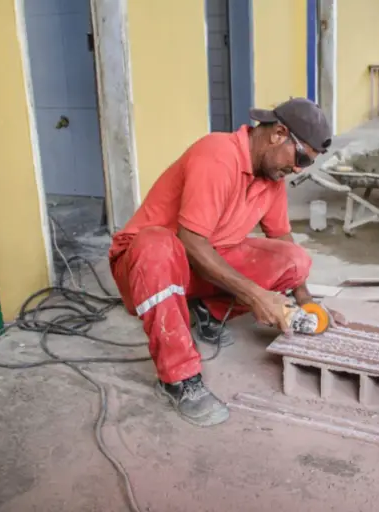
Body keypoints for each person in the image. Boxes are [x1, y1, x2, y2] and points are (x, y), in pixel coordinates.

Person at [109, 97, 344, 427]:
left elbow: (281, 239)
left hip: (199, 263)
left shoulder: (270, 178)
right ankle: (179, 379)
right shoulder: (218, 155)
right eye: (301, 158)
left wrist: (306, 301)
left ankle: (208, 307)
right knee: (157, 246)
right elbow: (190, 241)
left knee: (294, 262)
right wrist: (256, 296)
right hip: (147, 266)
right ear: (278, 133)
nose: (296, 170)